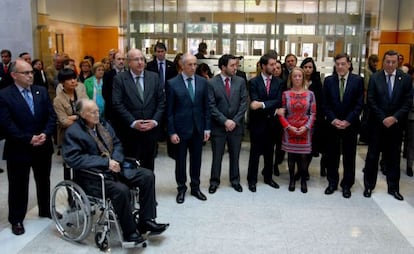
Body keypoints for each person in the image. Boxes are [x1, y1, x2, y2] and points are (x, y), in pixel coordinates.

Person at [62, 99, 169, 243]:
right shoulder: (73, 132)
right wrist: (106, 162)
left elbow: (117, 143)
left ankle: (146, 220)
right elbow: (74, 159)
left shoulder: (104, 124)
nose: (97, 114)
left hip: (116, 168)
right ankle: (130, 232)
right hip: (94, 177)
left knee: (147, 176)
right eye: (92, 112)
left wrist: (116, 161)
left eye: (97, 111)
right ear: (81, 114)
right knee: (122, 190)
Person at [0, 59, 57, 235]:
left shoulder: (41, 91)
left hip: (43, 145)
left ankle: (45, 210)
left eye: (31, 72)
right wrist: (28, 138)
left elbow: (51, 116)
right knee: (18, 185)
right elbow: (6, 124)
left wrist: (45, 134)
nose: (30, 75)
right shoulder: (4, 95)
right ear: (14, 75)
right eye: (26, 73)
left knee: (43, 180)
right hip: (19, 148)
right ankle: (17, 219)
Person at [363, 50, 413, 201]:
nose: (390, 65)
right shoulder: (375, 78)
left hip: (395, 126)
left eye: (393, 62)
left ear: (397, 62)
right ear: (383, 62)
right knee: (372, 156)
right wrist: (383, 118)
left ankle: (393, 188)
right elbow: (371, 100)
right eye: (387, 62)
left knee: (393, 157)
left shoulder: (404, 79)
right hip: (377, 125)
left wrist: (395, 117)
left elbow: (407, 101)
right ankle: (368, 186)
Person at [166, 53, 211, 203]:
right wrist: (171, 131)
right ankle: (181, 188)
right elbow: (169, 111)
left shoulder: (203, 82)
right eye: (190, 64)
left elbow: (207, 107)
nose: (193, 67)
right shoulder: (172, 83)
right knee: (180, 161)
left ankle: (196, 187)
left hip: (198, 129)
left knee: (196, 160)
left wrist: (207, 128)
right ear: (182, 65)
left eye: (195, 64)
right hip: (180, 130)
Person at [112, 49, 165, 171]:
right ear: (128, 62)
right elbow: (117, 103)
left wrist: (155, 121)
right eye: (136, 59)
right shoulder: (120, 79)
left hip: (150, 130)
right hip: (130, 131)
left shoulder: (154, 77)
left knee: (149, 165)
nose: (140, 62)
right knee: (130, 165)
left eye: (142, 59)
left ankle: (148, 189)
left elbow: (161, 102)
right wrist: (133, 122)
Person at [322, 53, 363, 198]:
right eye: (337, 64)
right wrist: (333, 120)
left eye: (343, 64)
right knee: (332, 156)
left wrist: (348, 121)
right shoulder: (328, 81)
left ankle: (347, 185)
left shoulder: (358, 81)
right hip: (332, 126)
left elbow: (359, 104)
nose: (340, 66)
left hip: (350, 126)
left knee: (349, 157)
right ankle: (332, 182)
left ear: (349, 65)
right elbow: (325, 104)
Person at [208, 54, 247, 194]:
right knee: (217, 156)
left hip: (236, 126)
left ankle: (235, 180)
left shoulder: (240, 81)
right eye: (232, 65)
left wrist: (234, 121)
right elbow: (211, 106)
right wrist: (224, 120)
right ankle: (214, 181)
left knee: (235, 155)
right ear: (223, 67)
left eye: (236, 65)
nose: (235, 68)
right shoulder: (212, 83)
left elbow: (244, 103)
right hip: (219, 126)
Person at [246, 53, 283, 192]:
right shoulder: (253, 82)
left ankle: (268, 177)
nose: (274, 67)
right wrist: (271, 107)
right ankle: (252, 180)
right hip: (257, 123)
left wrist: (261, 105)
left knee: (269, 153)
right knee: (254, 154)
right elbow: (254, 100)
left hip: (273, 124)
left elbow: (278, 101)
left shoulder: (279, 82)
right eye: (271, 65)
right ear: (263, 66)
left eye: (275, 64)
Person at [277, 67, 316, 193]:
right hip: (289, 129)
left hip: (305, 130)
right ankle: (292, 179)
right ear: (291, 78)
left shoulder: (310, 94)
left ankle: (303, 180)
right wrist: (288, 127)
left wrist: (306, 127)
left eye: (300, 76)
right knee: (291, 156)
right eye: (295, 76)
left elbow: (313, 113)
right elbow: (281, 113)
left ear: (303, 78)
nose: (298, 78)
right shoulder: (285, 94)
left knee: (304, 157)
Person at [53, 68, 87, 180]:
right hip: (67, 137)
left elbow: (89, 113)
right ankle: (70, 194)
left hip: (84, 135)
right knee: (68, 167)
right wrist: (80, 117)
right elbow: (63, 121)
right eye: (69, 79)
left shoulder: (81, 94)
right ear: (62, 83)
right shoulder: (58, 100)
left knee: (83, 166)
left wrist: (73, 117)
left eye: (74, 78)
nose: (73, 81)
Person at [300, 57, 325, 178]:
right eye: (305, 67)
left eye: (310, 67)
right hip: (298, 118)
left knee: (309, 146)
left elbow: (320, 102)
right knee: (298, 146)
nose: (308, 70)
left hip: (313, 119)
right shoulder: (297, 80)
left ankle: (305, 170)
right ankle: (299, 169)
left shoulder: (317, 82)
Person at [360, 54, 379, 144]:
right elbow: (367, 85)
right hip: (367, 98)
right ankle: (363, 137)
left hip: (372, 97)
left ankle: (366, 136)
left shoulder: (374, 70)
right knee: (366, 118)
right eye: (374, 62)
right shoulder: (368, 71)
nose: (375, 64)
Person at [102, 51, 126, 122]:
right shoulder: (108, 75)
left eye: (123, 59)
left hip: (127, 110)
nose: (121, 61)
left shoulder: (130, 74)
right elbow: (105, 93)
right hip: (112, 111)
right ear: (113, 61)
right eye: (119, 59)